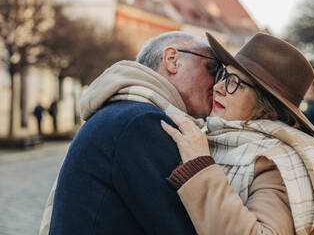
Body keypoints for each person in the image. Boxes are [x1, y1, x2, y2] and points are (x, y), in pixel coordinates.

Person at [161, 33, 314, 234]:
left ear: (265, 106)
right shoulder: (218, 139)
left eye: (234, 83)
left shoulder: (275, 163)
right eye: (223, 76)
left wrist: (199, 168)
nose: (218, 87)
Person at [40, 31, 218, 234]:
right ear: (172, 60)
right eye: (211, 68)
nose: (218, 83)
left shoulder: (124, 112)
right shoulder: (142, 123)